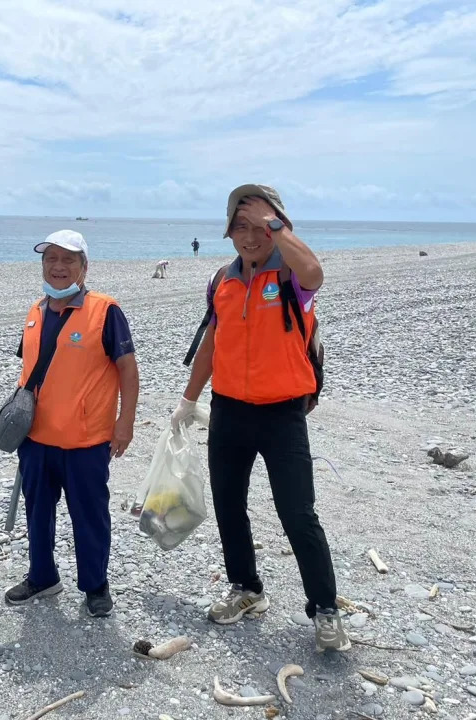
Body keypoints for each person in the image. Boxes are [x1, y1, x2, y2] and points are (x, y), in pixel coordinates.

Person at [171, 184, 350, 652]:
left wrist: (276, 224)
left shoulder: (292, 276)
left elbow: (316, 271)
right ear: (229, 231)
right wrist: (188, 401)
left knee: (297, 512)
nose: (251, 236)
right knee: (230, 506)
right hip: (229, 410)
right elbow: (212, 343)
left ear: (280, 226)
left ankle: (325, 609)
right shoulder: (223, 280)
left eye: (263, 226)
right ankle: (246, 589)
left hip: (282, 415)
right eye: (240, 226)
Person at [5, 230, 139, 617]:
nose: (59, 267)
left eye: (69, 260)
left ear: (84, 267)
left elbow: (128, 371)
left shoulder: (105, 311)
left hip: (86, 440)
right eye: (52, 259)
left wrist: (124, 423)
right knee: (37, 511)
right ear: (43, 265)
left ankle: (96, 585)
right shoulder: (35, 312)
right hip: (37, 439)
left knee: (89, 515)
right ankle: (42, 576)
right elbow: (29, 371)